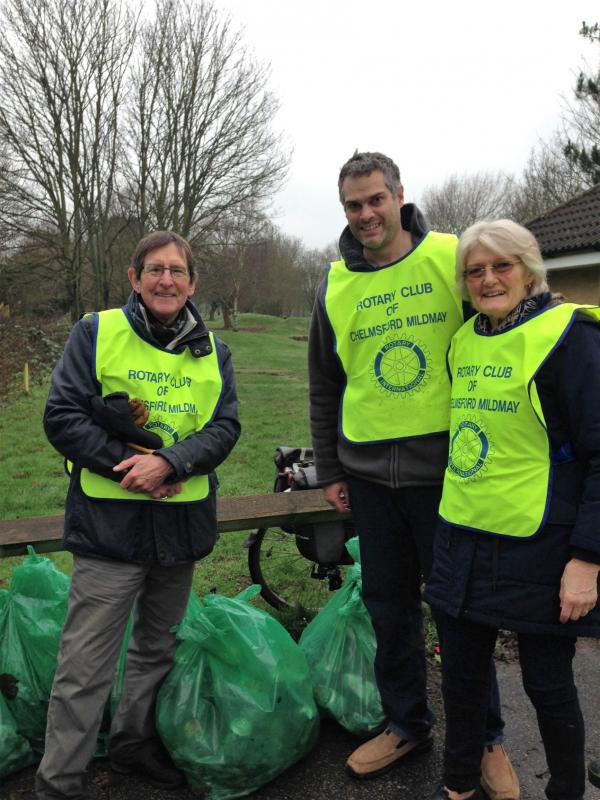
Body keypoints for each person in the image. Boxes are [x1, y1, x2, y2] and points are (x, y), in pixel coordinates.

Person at [308, 151, 518, 799]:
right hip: (369, 481)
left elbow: (501, 320)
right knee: (389, 611)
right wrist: (332, 469)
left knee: (462, 612)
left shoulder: (452, 258)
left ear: (400, 196)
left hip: (451, 477)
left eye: (375, 199)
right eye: (353, 204)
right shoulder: (336, 285)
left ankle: (484, 738)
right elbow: (324, 384)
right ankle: (407, 723)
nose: (365, 214)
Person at [35, 230, 240, 800]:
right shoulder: (96, 332)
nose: (166, 279)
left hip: (180, 529)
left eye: (177, 270)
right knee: (84, 668)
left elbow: (225, 428)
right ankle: (59, 783)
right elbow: (62, 416)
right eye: (154, 269)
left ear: (193, 282)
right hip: (109, 529)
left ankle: (131, 748)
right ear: (134, 277)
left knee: (156, 649)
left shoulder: (215, 352)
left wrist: (171, 463)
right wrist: (132, 465)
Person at [424, 219, 600, 800]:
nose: (488, 279)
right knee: (462, 679)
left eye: (502, 265)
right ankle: (457, 786)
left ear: (529, 268)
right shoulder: (464, 339)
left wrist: (587, 559)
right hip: (461, 535)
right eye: (475, 270)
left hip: (539, 541)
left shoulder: (569, 336)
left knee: (548, 685)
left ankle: (567, 793)